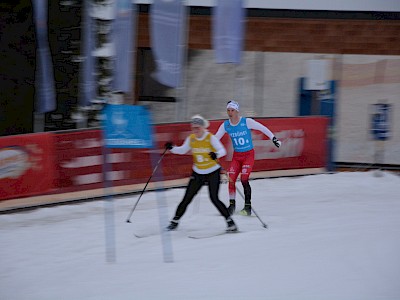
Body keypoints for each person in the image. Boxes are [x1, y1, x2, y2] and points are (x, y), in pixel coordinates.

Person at [164, 114, 238, 232]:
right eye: (193, 128)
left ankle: (230, 223)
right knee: (187, 197)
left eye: (198, 128)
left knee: (214, 198)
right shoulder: (191, 138)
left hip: (212, 172)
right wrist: (172, 148)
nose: (195, 130)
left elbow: (222, 150)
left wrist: (216, 154)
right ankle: (175, 221)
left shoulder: (210, 137)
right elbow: (183, 150)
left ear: (203, 127)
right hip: (198, 173)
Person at [215, 100, 282, 216]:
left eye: (232, 110)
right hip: (237, 156)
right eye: (228, 110)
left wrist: (274, 138)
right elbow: (215, 138)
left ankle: (247, 206)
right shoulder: (226, 125)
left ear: (237, 111)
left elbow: (262, 128)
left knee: (244, 179)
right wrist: (208, 147)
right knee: (231, 179)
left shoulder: (246, 122)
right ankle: (232, 205)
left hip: (248, 155)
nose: (230, 113)